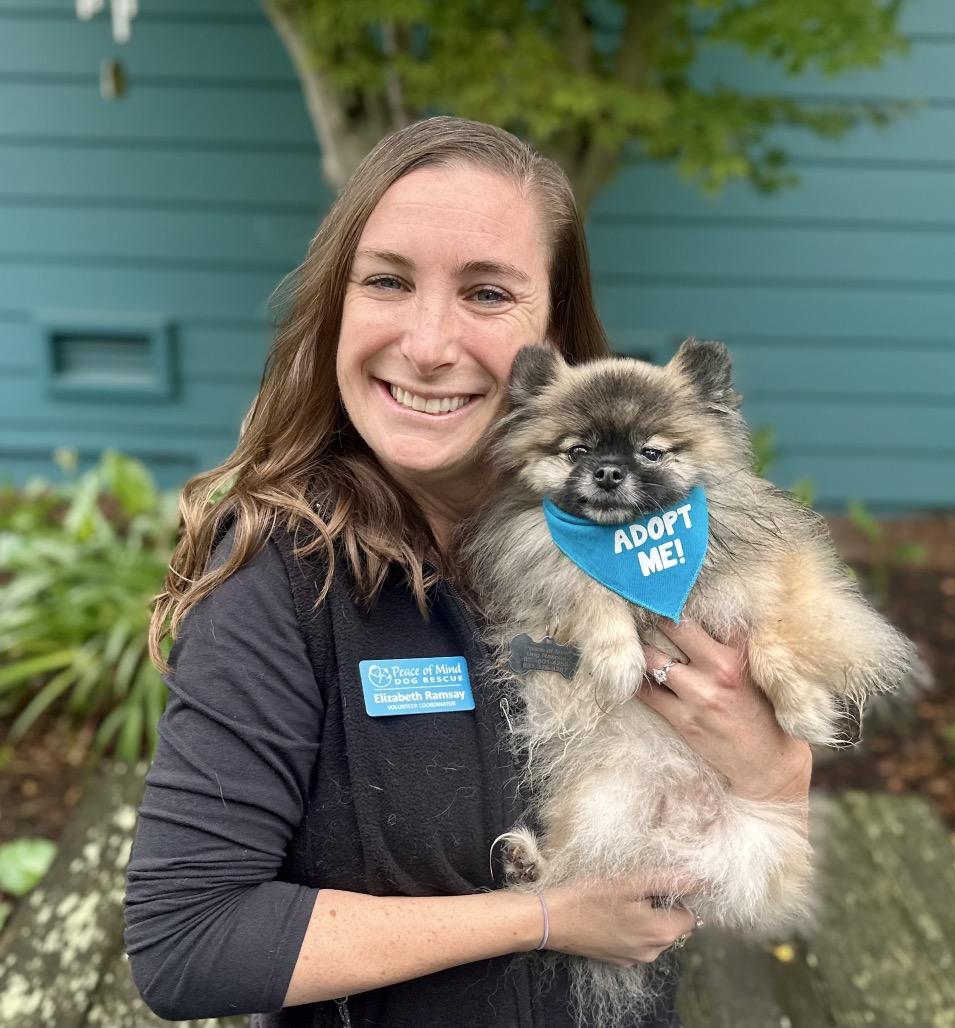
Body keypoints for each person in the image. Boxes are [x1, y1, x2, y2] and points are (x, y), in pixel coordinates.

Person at [124, 115, 813, 1028]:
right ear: (338, 302)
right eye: (387, 281)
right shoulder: (281, 582)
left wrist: (773, 773)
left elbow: (739, 883)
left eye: (487, 293)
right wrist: (541, 918)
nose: (429, 344)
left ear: (552, 343)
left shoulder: (652, 545)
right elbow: (184, 943)